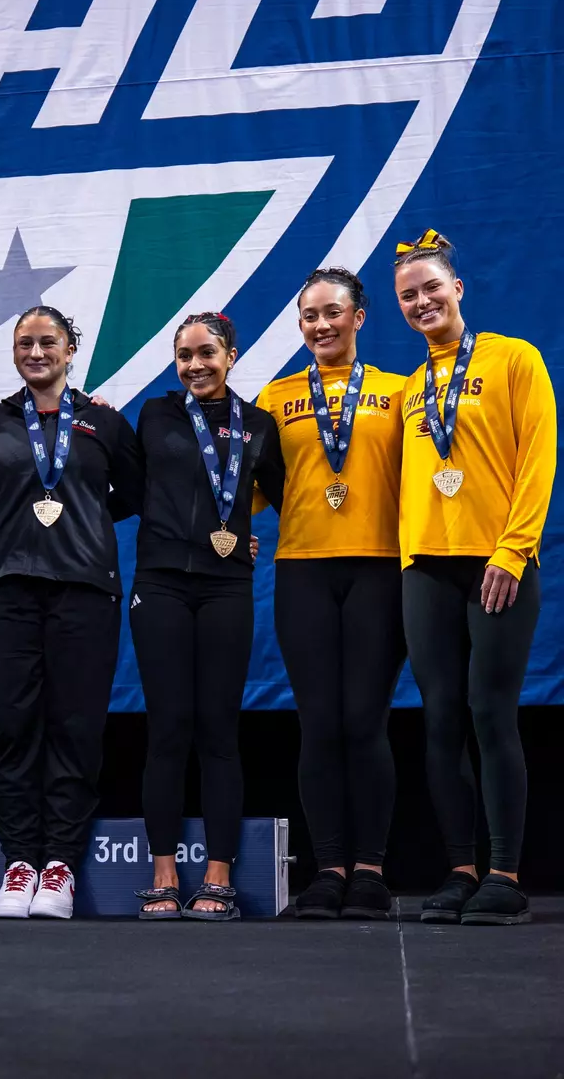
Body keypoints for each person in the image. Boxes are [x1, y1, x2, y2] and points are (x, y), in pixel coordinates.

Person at [394, 229, 556, 925]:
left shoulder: (514, 359)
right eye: (408, 296)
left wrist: (514, 549)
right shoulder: (410, 388)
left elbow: (538, 456)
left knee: (491, 714)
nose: (422, 301)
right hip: (425, 567)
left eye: (432, 288)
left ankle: (505, 873)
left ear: (457, 289)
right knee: (440, 720)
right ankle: (460, 869)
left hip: (497, 563)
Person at [0, 306, 142, 919]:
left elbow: (138, 493)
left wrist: (86, 522)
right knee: (12, 729)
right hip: (3, 590)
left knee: (75, 728)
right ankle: (20, 864)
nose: (36, 352)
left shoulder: (105, 423)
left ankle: (61, 865)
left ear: (72, 350)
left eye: (48, 342)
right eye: (25, 343)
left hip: (85, 590)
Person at [255, 269, 407, 920]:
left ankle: (370, 871)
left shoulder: (401, 394)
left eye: (332, 313)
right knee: (318, 724)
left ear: (359, 318)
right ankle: (329, 869)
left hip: (379, 570)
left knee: (365, 723)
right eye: (309, 315)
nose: (320, 325)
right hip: (304, 573)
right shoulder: (274, 397)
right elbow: (246, 488)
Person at [131, 312, 284, 922]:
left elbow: (277, 488)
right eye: (184, 355)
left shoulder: (261, 426)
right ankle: (164, 874)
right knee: (168, 728)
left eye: (207, 353)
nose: (195, 365)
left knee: (219, 731)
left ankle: (217, 877)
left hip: (226, 587)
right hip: (161, 583)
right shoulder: (154, 415)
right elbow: (128, 484)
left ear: (232, 354)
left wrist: (237, 531)